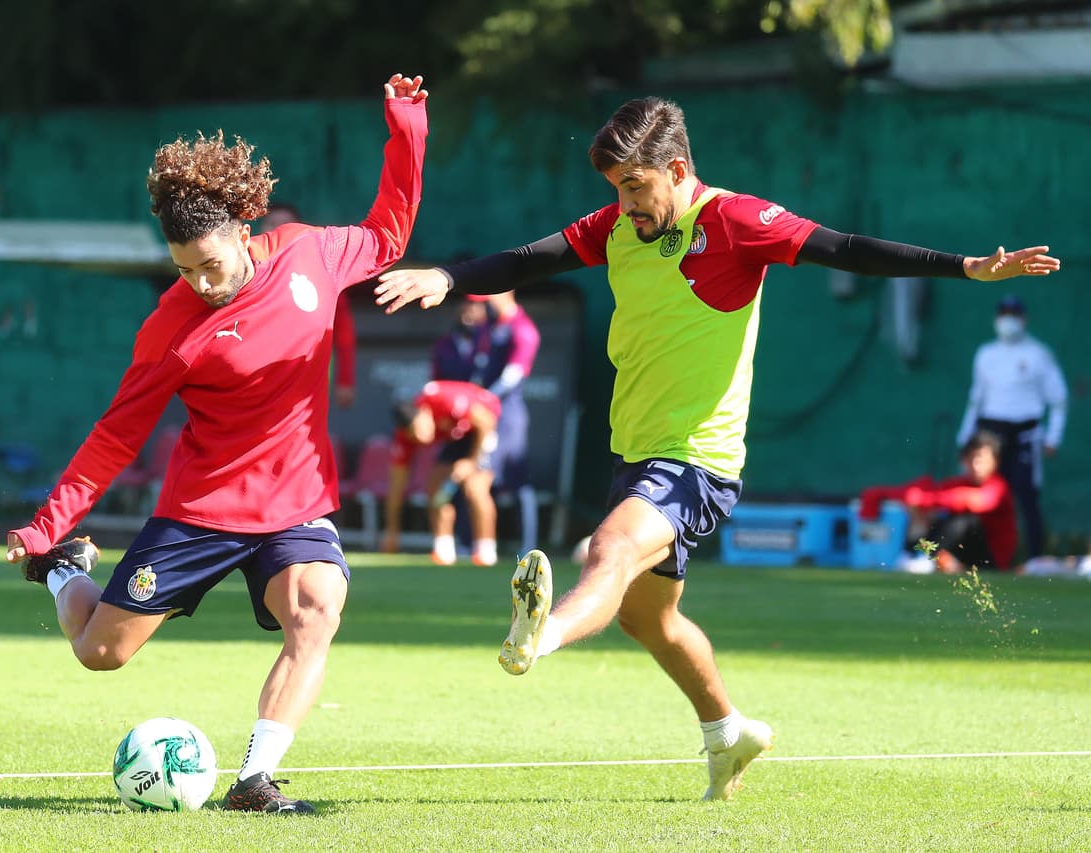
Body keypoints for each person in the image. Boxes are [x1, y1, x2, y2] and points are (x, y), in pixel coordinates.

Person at [372, 96, 1059, 800]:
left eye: (636, 187)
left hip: (698, 456)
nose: (625, 204)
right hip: (636, 451)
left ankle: (540, 634)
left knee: (608, 550)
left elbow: (845, 248)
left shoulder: (735, 221)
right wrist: (450, 277)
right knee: (649, 617)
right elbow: (530, 259)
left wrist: (968, 267)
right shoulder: (617, 226)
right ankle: (728, 732)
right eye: (616, 190)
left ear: (675, 168)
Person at [4, 73, 429, 815]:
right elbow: (114, 436)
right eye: (183, 269)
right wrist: (47, 526)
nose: (201, 281)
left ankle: (254, 780)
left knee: (317, 609)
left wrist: (408, 128)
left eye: (211, 263)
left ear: (242, 227)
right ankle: (59, 571)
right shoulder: (170, 328)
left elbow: (389, 232)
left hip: (294, 498)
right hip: (203, 507)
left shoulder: (310, 255)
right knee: (100, 651)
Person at [956, 295, 1067, 559]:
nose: (1008, 320)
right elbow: (976, 398)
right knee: (981, 496)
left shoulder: (1038, 354)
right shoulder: (985, 354)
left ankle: (1035, 559)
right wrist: (965, 436)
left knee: (1027, 498)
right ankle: (977, 558)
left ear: (1023, 319)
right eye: (1003, 314)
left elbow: (1059, 398)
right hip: (989, 435)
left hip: (1024, 435)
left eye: (1013, 314)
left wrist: (1054, 437)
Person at [431, 291, 542, 550]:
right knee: (470, 481)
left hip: (506, 419)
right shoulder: (487, 329)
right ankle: (470, 545)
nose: (483, 303)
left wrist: (481, 397)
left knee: (510, 483)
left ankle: (527, 548)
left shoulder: (523, 329)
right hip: (480, 418)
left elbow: (513, 374)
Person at [859, 431, 1018, 572]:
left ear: (995, 461)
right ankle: (911, 555)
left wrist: (925, 499)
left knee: (966, 521)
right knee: (926, 513)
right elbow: (928, 492)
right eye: (971, 459)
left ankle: (926, 558)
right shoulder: (959, 482)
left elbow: (970, 501)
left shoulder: (999, 487)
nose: (976, 466)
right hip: (960, 553)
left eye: (981, 460)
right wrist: (881, 494)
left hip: (992, 561)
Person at [382, 380, 502, 566]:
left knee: (474, 488)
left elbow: (486, 422)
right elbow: (397, 485)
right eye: (414, 435)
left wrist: (471, 461)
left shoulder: (443, 399)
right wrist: (392, 531)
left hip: (490, 426)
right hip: (460, 436)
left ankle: (486, 553)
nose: (420, 438)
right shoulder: (404, 438)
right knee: (435, 488)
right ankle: (444, 551)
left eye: (419, 429)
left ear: (423, 412)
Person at [260, 202, 359, 409]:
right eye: (271, 224)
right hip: (256, 384)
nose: (278, 231)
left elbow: (344, 335)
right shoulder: (245, 276)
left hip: (306, 386)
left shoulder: (322, 275)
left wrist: (345, 380)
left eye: (286, 225)